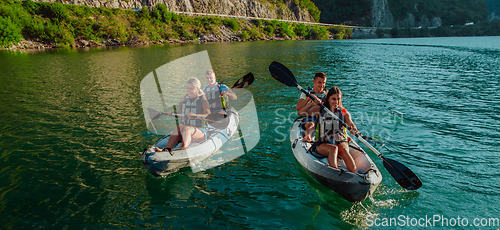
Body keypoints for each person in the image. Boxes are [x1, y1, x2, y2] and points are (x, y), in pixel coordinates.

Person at [298, 87, 359, 173]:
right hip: (323, 143)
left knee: (344, 150)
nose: (336, 102)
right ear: (328, 99)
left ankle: (355, 173)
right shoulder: (320, 109)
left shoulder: (344, 112)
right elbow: (300, 113)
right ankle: (335, 172)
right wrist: (312, 104)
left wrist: (354, 130)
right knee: (333, 149)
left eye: (338, 99)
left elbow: (352, 125)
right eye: (333, 99)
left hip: (339, 141)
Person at [155, 77, 211, 154]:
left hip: (200, 132)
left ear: (197, 89)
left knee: (187, 128)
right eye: (187, 88)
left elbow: (208, 116)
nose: (188, 90)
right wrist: (172, 113)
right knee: (180, 126)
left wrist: (195, 115)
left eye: (191, 88)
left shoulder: (203, 101)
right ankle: (167, 149)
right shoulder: (183, 99)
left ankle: (183, 150)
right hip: (185, 131)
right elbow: (179, 114)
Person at [296, 72, 327, 142]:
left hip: (323, 117)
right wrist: (308, 99)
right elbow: (298, 108)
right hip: (310, 116)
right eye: (319, 82)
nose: (321, 85)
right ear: (314, 82)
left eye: (323, 83)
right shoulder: (307, 93)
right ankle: (308, 137)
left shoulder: (327, 94)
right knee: (311, 124)